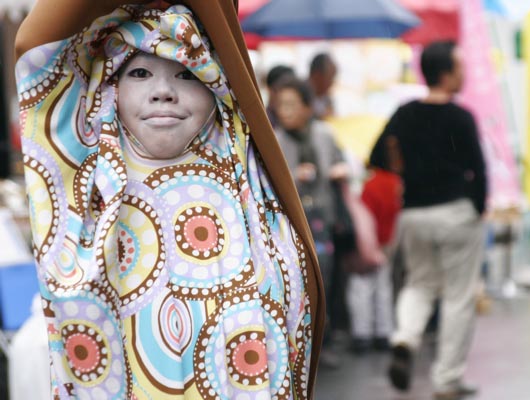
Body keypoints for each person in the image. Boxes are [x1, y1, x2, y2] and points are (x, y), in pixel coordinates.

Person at [15, 1, 325, 399]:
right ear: (110, 88)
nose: (163, 92)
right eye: (139, 73)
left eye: (187, 73)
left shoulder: (258, 203)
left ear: (216, 86)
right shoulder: (85, 194)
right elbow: (39, 45)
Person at [370, 40, 487, 399]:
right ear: (446, 73)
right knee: (458, 296)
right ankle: (447, 379)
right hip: (456, 212)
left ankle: (405, 338)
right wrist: (478, 207)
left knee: (419, 284)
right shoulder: (461, 116)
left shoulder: (405, 113)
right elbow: (479, 170)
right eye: (459, 67)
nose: (463, 74)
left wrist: (406, 171)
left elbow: (376, 156)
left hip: (414, 213)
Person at [272, 78, 348, 367]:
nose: (285, 111)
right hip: (288, 223)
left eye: (292, 105)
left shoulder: (324, 134)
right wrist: (294, 175)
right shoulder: (275, 139)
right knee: (294, 284)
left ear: (307, 107)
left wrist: (340, 170)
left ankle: (320, 345)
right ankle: (295, 348)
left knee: (323, 281)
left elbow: (343, 161)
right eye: (281, 105)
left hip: (323, 220)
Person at [345, 165, 402, 354]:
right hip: (387, 242)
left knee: (360, 288)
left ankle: (362, 334)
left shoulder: (366, 185)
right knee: (384, 289)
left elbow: (361, 219)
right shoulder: (394, 182)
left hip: (366, 244)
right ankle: (383, 332)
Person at [307, 53, 337, 120]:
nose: (332, 82)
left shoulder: (327, 98)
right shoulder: (299, 94)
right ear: (317, 76)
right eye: (330, 78)